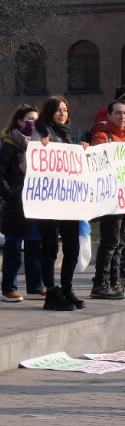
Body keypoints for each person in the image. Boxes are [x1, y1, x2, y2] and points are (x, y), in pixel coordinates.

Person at [36, 95, 88, 311]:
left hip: (69, 203)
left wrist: (82, 152)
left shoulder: (67, 137)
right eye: (58, 110)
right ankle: (52, 291)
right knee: (49, 248)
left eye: (65, 110)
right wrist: (40, 144)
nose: (62, 113)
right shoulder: (41, 134)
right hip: (50, 202)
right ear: (49, 113)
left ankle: (67, 287)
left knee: (72, 247)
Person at [0, 104, 44, 303]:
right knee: (13, 249)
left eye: (37, 120)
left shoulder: (39, 146)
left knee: (34, 247)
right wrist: (11, 196)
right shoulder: (9, 146)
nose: (34, 123)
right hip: (16, 207)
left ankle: (36, 286)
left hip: (34, 206)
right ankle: (8, 289)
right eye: (30, 119)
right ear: (20, 122)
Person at [88, 99, 125, 300]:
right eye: (118, 113)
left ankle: (114, 282)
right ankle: (99, 283)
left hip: (123, 199)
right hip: (111, 200)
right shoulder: (102, 137)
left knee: (120, 243)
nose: (122, 117)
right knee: (110, 242)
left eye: (124, 113)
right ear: (109, 115)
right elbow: (96, 167)